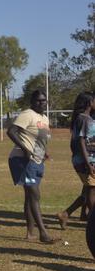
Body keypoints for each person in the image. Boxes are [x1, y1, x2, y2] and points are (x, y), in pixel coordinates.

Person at [7, 90, 59, 244]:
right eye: (38, 100)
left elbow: (39, 139)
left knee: (30, 196)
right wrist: (24, 149)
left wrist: (44, 152)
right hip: (22, 160)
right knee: (34, 195)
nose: (41, 103)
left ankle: (30, 233)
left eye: (44, 101)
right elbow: (11, 131)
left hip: (36, 160)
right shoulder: (27, 114)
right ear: (32, 102)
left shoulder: (44, 118)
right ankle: (43, 233)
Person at [57, 92, 95, 229]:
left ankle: (66, 214)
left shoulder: (82, 118)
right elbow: (82, 141)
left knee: (87, 191)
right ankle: (92, 222)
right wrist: (88, 163)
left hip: (84, 160)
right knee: (91, 190)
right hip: (88, 161)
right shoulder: (85, 119)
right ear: (89, 102)